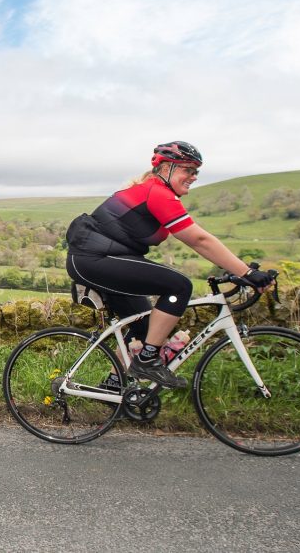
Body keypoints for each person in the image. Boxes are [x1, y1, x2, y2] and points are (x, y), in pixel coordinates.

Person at [65, 141, 274, 389]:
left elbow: (199, 240)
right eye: (188, 169)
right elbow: (199, 240)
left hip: (101, 259)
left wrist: (238, 271)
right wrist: (247, 273)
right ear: (166, 168)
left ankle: (114, 386)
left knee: (145, 326)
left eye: (196, 172)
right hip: (94, 259)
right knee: (180, 286)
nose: (193, 177)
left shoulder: (156, 191)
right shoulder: (158, 193)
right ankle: (148, 360)